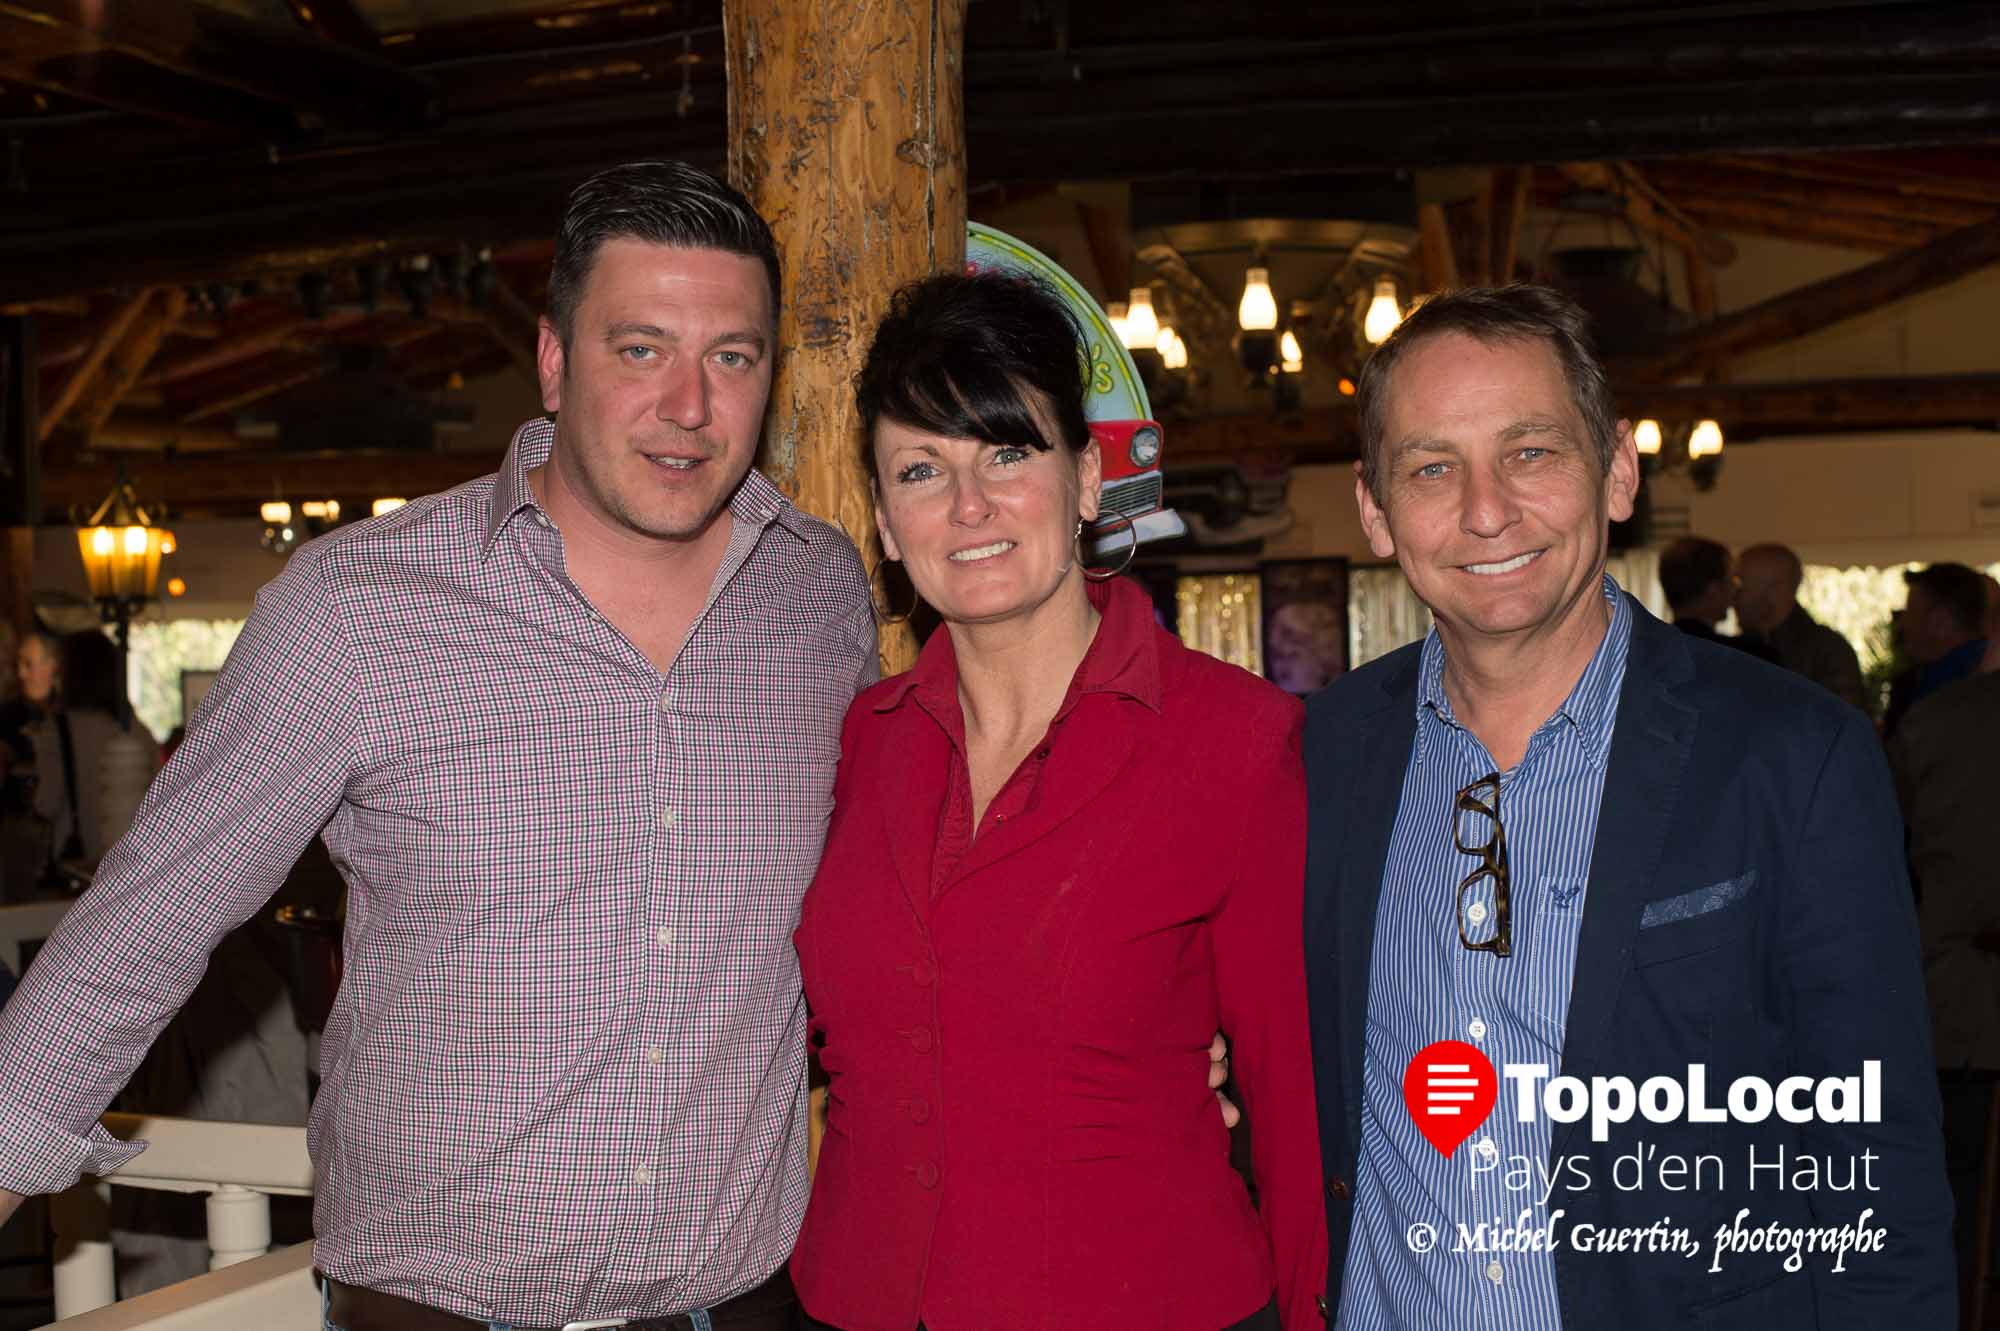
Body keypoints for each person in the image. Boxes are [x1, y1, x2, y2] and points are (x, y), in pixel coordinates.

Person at [0, 162, 878, 1330]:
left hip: (743, 1301)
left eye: (732, 356)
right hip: (434, 1309)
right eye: (639, 348)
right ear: (555, 361)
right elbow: (144, 920)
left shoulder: (817, 597)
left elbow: (898, 892)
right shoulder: (358, 608)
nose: (688, 404)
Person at [1302, 284, 1952, 1329]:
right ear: (1374, 510)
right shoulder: (1321, 753)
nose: (1483, 510)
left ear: (1615, 471)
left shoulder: (1791, 755)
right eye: (1430, 467)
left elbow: (1876, 1175)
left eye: (1529, 452)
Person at [789, 272, 1327, 1331]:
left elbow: (1294, 1096)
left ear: (1085, 479)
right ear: (887, 527)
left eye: (1007, 451)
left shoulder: (1234, 739)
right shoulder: (860, 744)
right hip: (856, 1300)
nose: (968, 505)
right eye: (919, 470)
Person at [1889, 665, 2000, 1307]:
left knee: (1951, 1202)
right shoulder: (1939, 718)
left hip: (1948, 999)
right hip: (1952, 996)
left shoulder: (1937, 719)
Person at [25, 632, 156, 870]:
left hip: (80, 862)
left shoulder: (59, 730)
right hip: (134, 863)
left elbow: (47, 802)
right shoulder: (137, 731)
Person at [1733, 542, 1867, 710]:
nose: (1732, 596)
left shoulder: (1828, 651)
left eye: (1740, 585)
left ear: (1774, 591)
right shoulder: (1743, 647)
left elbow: (1842, 726)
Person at [1883, 562, 1990, 738]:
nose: (1902, 625)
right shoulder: (1983, 671)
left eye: (1910, 613)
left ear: (1940, 621)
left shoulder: (1940, 689)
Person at [1655, 535, 1777, 661]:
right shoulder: (1746, 654)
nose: (1736, 590)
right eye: (1731, 581)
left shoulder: (1651, 652)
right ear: (1713, 590)